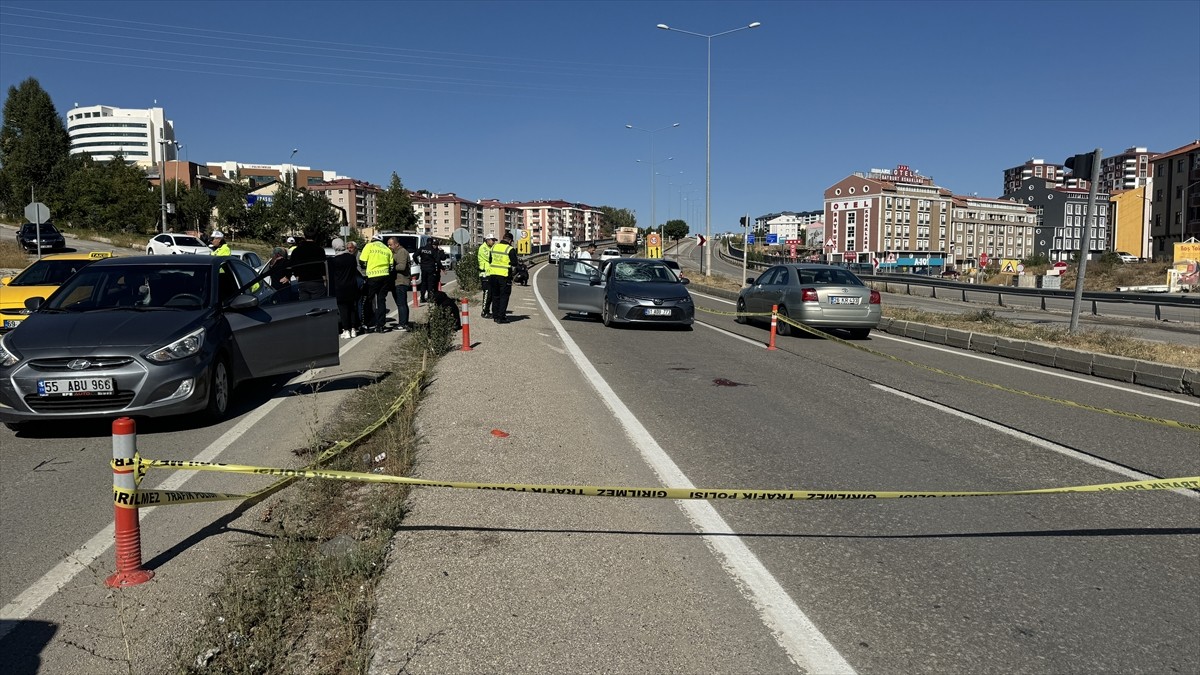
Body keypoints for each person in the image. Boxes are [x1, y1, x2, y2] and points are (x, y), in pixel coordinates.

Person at [359, 233, 393, 333]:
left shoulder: (369, 246)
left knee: (368, 300)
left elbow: (362, 261)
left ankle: (367, 324)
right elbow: (391, 266)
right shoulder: (387, 249)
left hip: (372, 277)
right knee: (381, 301)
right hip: (385, 277)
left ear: (373, 239)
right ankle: (381, 325)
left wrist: (367, 268)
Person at [328, 238, 361, 339]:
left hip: (340, 288)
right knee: (352, 308)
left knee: (343, 310)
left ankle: (346, 330)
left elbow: (331, 275)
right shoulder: (351, 258)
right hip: (352, 286)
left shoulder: (334, 261)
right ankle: (354, 329)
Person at [288, 231, 328, 300]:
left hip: (302, 280)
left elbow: (293, 264)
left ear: (304, 237)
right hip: (316, 280)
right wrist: (325, 279)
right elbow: (322, 266)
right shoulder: (319, 250)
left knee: (305, 306)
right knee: (317, 305)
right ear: (315, 237)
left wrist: (297, 275)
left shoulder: (297, 250)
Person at [487, 231, 516, 323]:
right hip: (504, 276)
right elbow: (514, 262)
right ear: (510, 240)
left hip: (492, 275)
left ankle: (495, 316)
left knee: (495, 296)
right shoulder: (509, 249)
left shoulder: (494, 247)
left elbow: (490, 260)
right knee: (504, 296)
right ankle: (501, 317)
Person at [388, 236, 411, 332]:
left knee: (401, 304)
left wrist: (390, 267)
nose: (389, 246)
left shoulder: (402, 252)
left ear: (397, 244)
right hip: (397, 281)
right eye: (388, 244)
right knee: (400, 304)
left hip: (401, 281)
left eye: (391, 244)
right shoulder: (395, 252)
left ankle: (403, 324)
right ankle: (403, 322)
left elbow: (402, 266)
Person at [477, 233, 496, 318]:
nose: (494, 242)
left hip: (490, 273)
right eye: (492, 240)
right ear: (488, 240)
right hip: (484, 274)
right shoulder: (483, 248)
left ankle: (487, 311)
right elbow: (490, 258)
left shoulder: (490, 248)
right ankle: (484, 312)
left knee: (491, 294)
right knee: (487, 293)